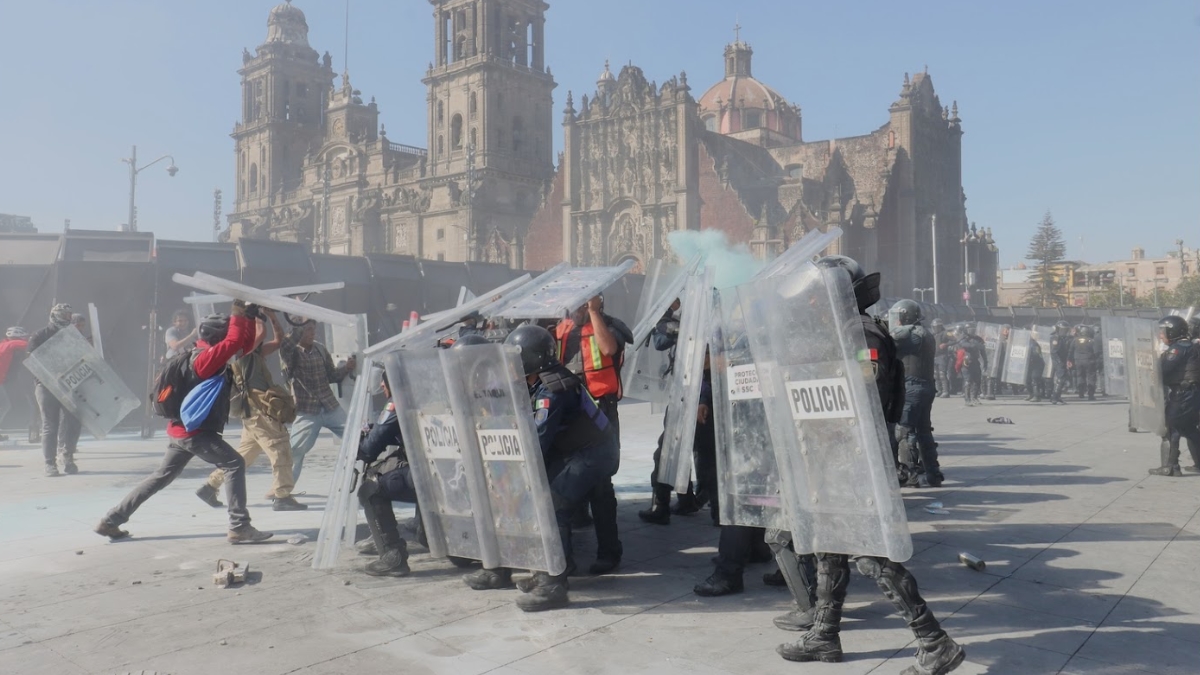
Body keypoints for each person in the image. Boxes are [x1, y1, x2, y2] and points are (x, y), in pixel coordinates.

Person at [775, 255, 964, 675]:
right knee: (829, 547)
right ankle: (825, 634)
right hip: (832, 457)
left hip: (852, 459)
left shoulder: (861, 332)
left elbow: (866, 395)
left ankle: (934, 641)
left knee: (870, 552)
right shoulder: (840, 331)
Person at [95, 301, 273, 544]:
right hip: (195, 433)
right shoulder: (205, 359)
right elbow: (233, 343)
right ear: (217, 337)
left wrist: (248, 318)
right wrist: (237, 313)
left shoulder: (202, 353)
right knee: (234, 464)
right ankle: (239, 526)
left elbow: (243, 346)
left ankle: (111, 520)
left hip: (181, 432)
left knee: (160, 477)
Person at [477, 325, 619, 612]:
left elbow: (537, 439)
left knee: (550, 505)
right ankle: (551, 569)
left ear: (529, 360)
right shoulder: (537, 381)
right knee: (544, 499)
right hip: (579, 449)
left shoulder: (552, 389)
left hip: (594, 454)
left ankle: (553, 584)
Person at [553, 294, 632, 574]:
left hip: (601, 415)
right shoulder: (562, 329)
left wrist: (594, 313)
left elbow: (608, 348)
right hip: (571, 414)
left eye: (581, 305)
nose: (574, 310)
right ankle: (567, 550)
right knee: (565, 479)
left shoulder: (611, 326)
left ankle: (609, 552)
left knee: (600, 484)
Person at [198, 309, 306, 511]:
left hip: (254, 412)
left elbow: (278, 339)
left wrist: (271, 316)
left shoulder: (253, 352)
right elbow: (261, 334)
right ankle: (282, 495)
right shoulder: (240, 351)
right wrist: (257, 314)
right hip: (260, 410)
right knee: (280, 448)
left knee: (244, 454)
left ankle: (210, 486)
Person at [356, 368, 420, 576]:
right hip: (451, 476)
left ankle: (392, 555)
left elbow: (369, 449)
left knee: (371, 487)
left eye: (386, 379)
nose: (382, 385)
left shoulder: (397, 402)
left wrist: (363, 438)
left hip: (422, 476)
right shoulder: (433, 394)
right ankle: (425, 532)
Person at [280, 320, 355, 483]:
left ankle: (360, 479)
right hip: (306, 411)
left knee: (356, 438)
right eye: (307, 330)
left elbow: (331, 375)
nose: (312, 333)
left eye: (313, 329)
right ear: (297, 332)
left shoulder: (320, 349)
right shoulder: (291, 353)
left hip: (330, 407)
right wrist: (299, 322)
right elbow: (284, 346)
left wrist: (346, 369)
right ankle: (284, 490)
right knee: (295, 451)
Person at [890, 300, 943, 488]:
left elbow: (892, 344)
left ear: (905, 316)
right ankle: (933, 474)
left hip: (913, 388)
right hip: (926, 387)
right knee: (924, 432)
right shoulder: (926, 333)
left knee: (904, 432)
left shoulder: (914, 334)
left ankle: (910, 475)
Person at [28, 304, 85, 476]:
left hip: (69, 384)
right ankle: (49, 463)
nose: (68, 319)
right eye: (65, 316)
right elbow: (32, 359)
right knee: (50, 425)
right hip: (46, 385)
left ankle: (67, 456)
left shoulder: (72, 336)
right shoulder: (40, 335)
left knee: (73, 421)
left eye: (69, 316)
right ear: (56, 316)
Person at [1148, 316, 1200, 477]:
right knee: (1189, 429)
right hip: (1191, 394)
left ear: (1173, 331)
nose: (1161, 335)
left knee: (1171, 428)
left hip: (1182, 395)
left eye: (1163, 332)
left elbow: (1162, 370)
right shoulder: (1189, 346)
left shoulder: (1178, 348)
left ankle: (1171, 467)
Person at [0, 327, 30, 441]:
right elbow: (28, 345)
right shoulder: (12, 343)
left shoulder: (3, 344)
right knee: (4, 405)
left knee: (4, 405)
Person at [1068, 325, 1101, 401]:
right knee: (1091, 377)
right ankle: (1090, 395)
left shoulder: (1075, 340)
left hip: (1078, 361)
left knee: (1080, 377)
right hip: (1089, 361)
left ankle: (1081, 393)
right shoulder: (1091, 341)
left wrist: (1069, 360)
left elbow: (1070, 351)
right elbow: (1096, 352)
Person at [957, 326, 986, 407]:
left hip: (975, 362)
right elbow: (963, 344)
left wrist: (985, 362)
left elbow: (983, 350)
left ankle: (975, 397)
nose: (972, 330)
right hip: (966, 362)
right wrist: (974, 345)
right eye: (970, 329)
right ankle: (967, 399)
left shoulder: (978, 339)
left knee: (977, 381)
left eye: (973, 329)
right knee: (968, 381)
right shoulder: (963, 338)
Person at [1049, 321, 1071, 405]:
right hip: (1058, 361)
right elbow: (1054, 352)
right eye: (1063, 330)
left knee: (1063, 379)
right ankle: (1054, 397)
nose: (1064, 332)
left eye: (1065, 330)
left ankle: (1058, 397)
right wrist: (1059, 363)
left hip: (1062, 361)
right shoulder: (1055, 338)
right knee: (1060, 379)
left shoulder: (1062, 338)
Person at [931, 319, 951, 398]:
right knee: (935, 375)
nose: (935, 328)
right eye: (934, 327)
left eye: (936, 327)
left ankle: (945, 391)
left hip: (942, 356)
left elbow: (956, 340)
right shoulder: (933, 335)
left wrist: (946, 344)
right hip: (934, 356)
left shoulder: (945, 333)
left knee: (942, 374)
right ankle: (938, 390)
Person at [1025, 338, 1046, 403]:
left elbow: (1036, 354)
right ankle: (1031, 394)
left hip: (1037, 364)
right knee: (1027, 380)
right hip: (1030, 364)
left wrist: (1030, 357)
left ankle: (1037, 396)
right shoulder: (1026, 343)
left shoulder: (1034, 344)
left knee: (1035, 380)